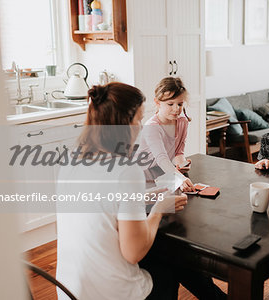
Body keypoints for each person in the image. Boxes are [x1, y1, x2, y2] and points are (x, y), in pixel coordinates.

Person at [55, 82, 224, 300]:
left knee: (166, 254)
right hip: (112, 293)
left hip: (70, 291)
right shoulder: (125, 170)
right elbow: (134, 252)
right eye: (138, 119)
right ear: (124, 123)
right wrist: (158, 210)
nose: (141, 126)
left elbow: (100, 202)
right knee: (172, 259)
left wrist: (141, 196)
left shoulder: (70, 159)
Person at [139, 77, 196, 192]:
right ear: (157, 102)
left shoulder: (182, 122)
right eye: (170, 104)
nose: (176, 109)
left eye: (180, 104)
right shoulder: (152, 127)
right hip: (142, 177)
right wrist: (180, 178)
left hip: (161, 174)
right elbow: (161, 158)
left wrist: (182, 164)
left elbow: (178, 152)